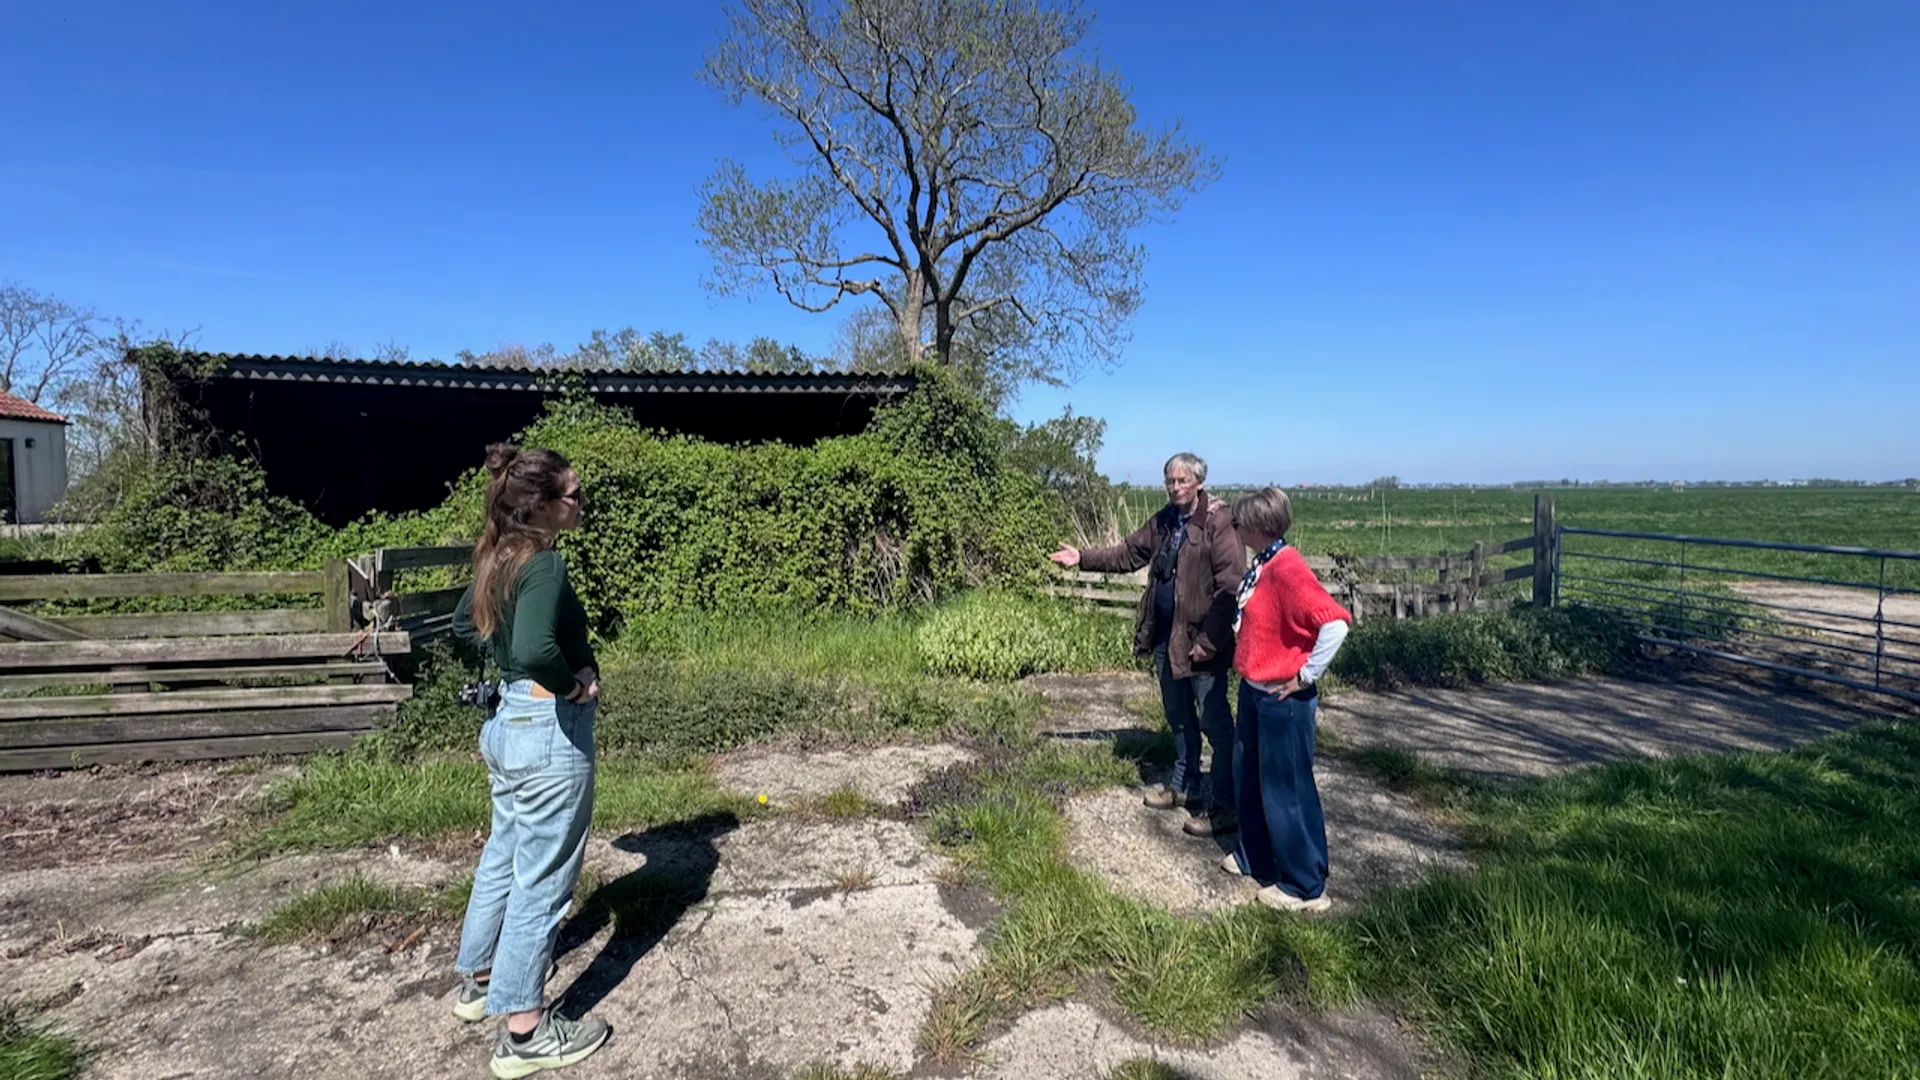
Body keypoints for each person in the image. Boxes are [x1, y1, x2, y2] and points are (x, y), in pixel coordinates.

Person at [448, 443, 610, 1078]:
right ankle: (525, 1032)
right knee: (542, 881)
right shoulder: (543, 563)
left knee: (504, 854)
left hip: (506, 726)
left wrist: (507, 670)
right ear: (542, 507)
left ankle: (479, 980)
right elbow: (540, 646)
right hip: (547, 730)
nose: (581, 504)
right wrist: (573, 685)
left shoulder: (498, 556)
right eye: (573, 495)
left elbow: (466, 626)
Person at [1050, 452, 1246, 838]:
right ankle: (1184, 786)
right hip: (1166, 638)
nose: (1174, 487)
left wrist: (1209, 640)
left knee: (1216, 724)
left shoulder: (1218, 522)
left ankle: (1225, 805)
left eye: (1182, 481)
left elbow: (1230, 587)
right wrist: (1083, 558)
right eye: (1169, 481)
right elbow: (1129, 553)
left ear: (1199, 483)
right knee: (1179, 717)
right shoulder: (1165, 520)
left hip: (1203, 644)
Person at [1219, 486, 1352, 914]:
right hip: (1256, 690)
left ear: (1260, 527)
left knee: (1287, 788)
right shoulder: (1265, 562)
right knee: (1251, 778)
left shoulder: (1288, 568)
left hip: (1282, 695)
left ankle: (1304, 884)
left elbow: (1335, 624)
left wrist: (1305, 675)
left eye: (1239, 522)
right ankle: (1254, 855)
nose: (1234, 528)